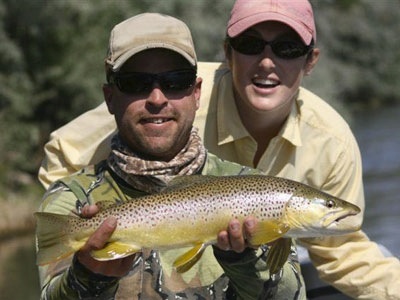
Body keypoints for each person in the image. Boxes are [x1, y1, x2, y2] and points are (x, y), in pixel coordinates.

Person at [38, 1, 400, 299]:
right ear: (227, 54)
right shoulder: (164, 105)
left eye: (287, 49)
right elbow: (63, 150)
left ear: (310, 61)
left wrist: (242, 260)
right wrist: (84, 254)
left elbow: (341, 251)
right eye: (250, 45)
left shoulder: (331, 140)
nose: (157, 99)